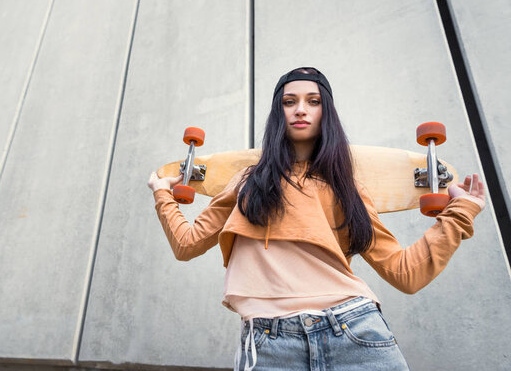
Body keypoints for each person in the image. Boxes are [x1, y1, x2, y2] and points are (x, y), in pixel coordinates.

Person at [147, 67, 485, 371]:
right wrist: (163, 193)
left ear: (327, 113)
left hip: (355, 329)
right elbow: (187, 245)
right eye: (289, 101)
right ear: (278, 113)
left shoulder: (347, 190)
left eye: (313, 101)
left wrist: (460, 214)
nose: (300, 109)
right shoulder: (247, 182)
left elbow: (405, 272)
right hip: (269, 341)